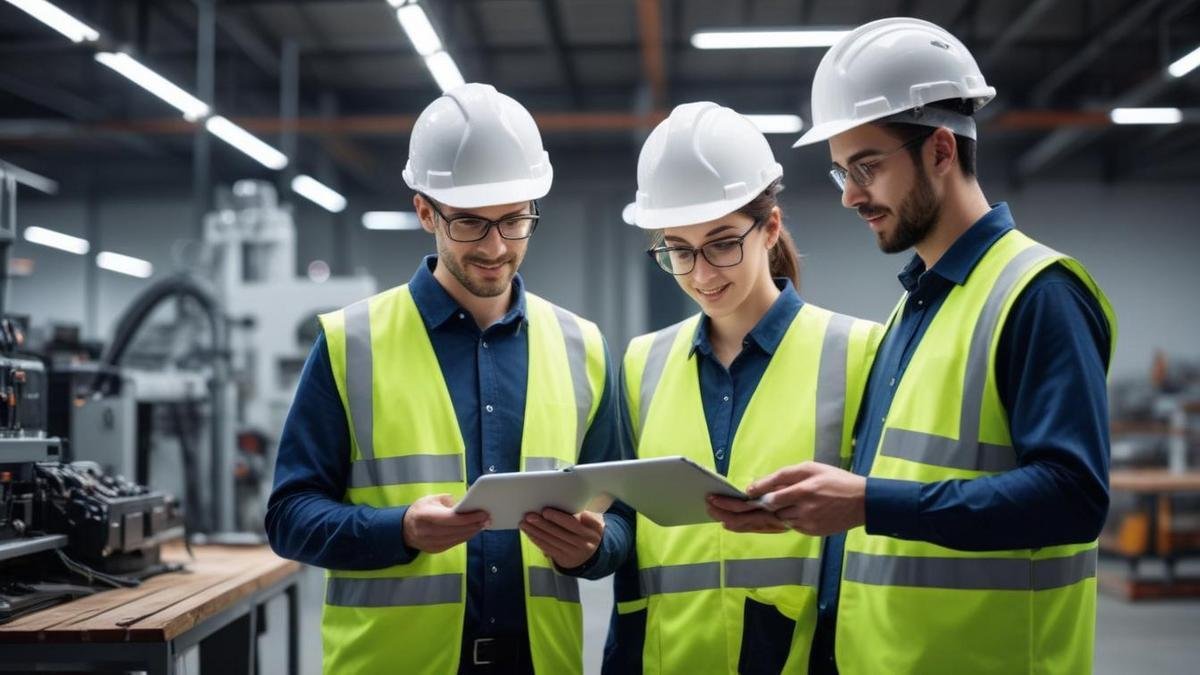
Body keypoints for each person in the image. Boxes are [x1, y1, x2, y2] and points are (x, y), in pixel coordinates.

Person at [708, 18, 1117, 674]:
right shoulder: (913, 308)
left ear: (940, 150)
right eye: (843, 171)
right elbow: (896, 494)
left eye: (866, 167)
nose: (849, 195)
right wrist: (811, 512)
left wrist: (868, 500)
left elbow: (1074, 496)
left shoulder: (1038, 294)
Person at [265, 82, 632, 674]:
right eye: (469, 224)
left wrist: (593, 550)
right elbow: (289, 517)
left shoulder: (582, 347)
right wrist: (399, 530)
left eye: (514, 221)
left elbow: (621, 520)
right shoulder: (349, 343)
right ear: (424, 211)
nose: (495, 247)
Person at [604, 101, 880, 674]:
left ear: (770, 226)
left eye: (723, 243)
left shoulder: (858, 351)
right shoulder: (641, 363)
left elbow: (877, 526)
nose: (702, 275)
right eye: (678, 250)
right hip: (666, 659)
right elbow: (626, 530)